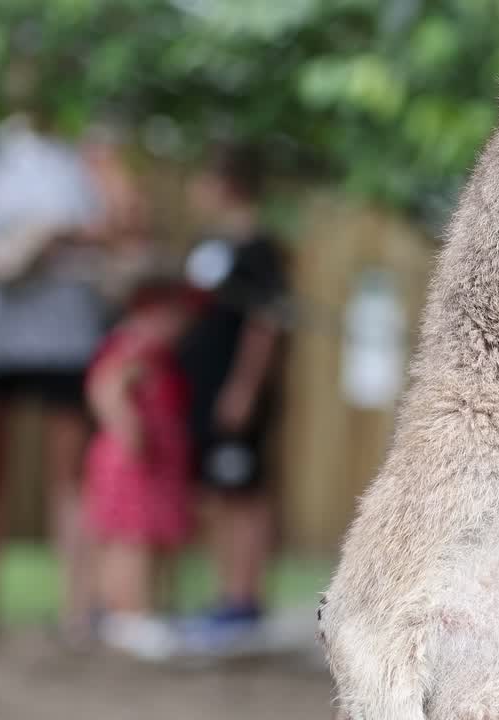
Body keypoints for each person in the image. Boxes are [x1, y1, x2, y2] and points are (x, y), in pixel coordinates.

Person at [0, 115, 144, 652]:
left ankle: (76, 612)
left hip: (63, 335)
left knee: (67, 476)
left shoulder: (92, 148)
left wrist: (57, 233)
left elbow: (126, 227)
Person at [175, 143, 288, 651]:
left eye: (201, 180)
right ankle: (226, 596)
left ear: (226, 185)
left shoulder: (258, 248)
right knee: (218, 493)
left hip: (235, 396)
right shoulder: (210, 248)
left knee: (242, 491)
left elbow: (266, 321)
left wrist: (243, 388)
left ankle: (244, 600)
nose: (193, 191)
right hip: (204, 391)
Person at [83, 279, 205, 660]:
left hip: (156, 459)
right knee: (130, 538)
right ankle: (127, 613)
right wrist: (129, 429)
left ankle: (149, 610)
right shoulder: (134, 346)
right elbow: (106, 387)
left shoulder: (156, 352)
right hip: (134, 460)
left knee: (153, 537)